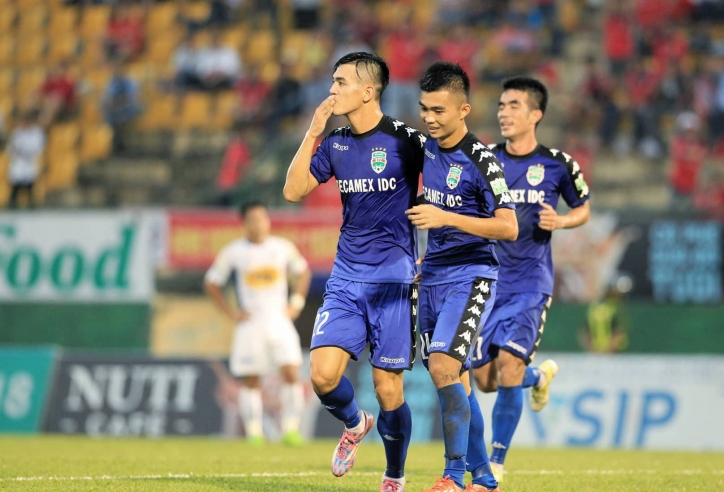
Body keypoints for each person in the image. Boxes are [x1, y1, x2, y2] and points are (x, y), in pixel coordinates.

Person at [283, 52, 424, 492]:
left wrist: (434, 250)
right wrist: (313, 131)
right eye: (332, 82)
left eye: (341, 82)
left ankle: (394, 474)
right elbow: (293, 190)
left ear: (368, 90)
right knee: (323, 375)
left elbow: (444, 190)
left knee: (388, 391)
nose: (332, 90)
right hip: (346, 277)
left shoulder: (408, 141)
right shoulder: (337, 144)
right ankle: (354, 423)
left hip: (394, 282)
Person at [471, 76, 591, 483]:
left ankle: (496, 461)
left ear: (536, 114)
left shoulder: (558, 163)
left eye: (514, 105)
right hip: (488, 283)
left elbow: (584, 208)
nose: (503, 111)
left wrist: (562, 220)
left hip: (530, 283)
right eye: (502, 105)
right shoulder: (484, 158)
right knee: (485, 381)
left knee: (507, 366)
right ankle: (538, 377)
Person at [409, 61, 516, 492]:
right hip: (432, 275)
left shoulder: (482, 160)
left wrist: (446, 217)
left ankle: (453, 476)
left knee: (441, 367)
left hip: (472, 275)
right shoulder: (425, 146)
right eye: (424, 110)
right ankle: (485, 479)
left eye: (439, 111)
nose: (430, 119)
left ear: (464, 110)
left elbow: (508, 227)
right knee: (458, 379)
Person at [204, 202, 312, 446]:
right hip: (251, 324)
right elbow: (212, 282)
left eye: (262, 218)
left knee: (291, 371)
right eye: (253, 219)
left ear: (268, 221)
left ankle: (291, 429)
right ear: (244, 223)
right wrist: (231, 313)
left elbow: (303, 272)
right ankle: (254, 432)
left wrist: (296, 302)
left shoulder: (283, 248)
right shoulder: (234, 252)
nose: (259, 223)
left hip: (279, 319)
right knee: (251, 379)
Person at [6, 111, 45, 209]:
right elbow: (9, 150)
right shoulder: (16, 133)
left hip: (30, 167)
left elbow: (37, 149)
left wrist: (22, 151)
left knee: (30, 193)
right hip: (18, 168)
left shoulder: (36, 133)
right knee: (14, 193)